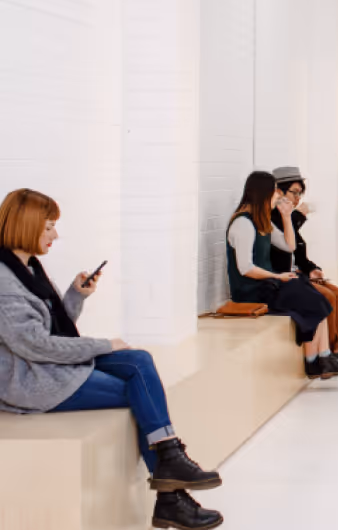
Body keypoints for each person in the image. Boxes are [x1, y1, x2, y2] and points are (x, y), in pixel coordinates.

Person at [0, 189, 223, 530]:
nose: (55, 235)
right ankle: (171, 489)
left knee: (139, 360)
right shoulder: (5, 280)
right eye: (48, 227)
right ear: (26, 225)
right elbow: (35, 346)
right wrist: (103, 344)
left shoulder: (27, 267)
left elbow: (55, 328)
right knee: (141, 394)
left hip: (49, 367)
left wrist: (76, 296)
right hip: (32, 381)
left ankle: (170, 468)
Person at [228, 172, 338, 379]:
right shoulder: (243, 224)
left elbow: (289, 245)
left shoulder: (262, 221)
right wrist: (277, 277)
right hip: (252, 290)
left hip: (269, 284)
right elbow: (245, 268)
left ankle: (322, 357)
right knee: (312, 300)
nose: (278, 197)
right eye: (274, 192)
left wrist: (286, 217)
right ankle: (315, 361)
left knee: (318, 298)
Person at [270, 166, 338, 372]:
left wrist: (312, 269)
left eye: (301, 193)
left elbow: (298, 252)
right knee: (327, 296)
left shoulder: (287, 216)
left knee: (337, 293)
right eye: (294, 192)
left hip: (297, 274)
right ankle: (332, 353)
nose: (298, 198)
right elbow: (282, 249)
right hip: (284, 279)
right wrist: (295, 217)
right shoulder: (274, 218)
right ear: (279, 192)